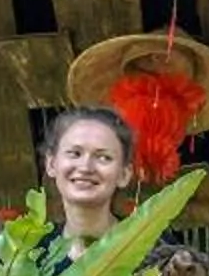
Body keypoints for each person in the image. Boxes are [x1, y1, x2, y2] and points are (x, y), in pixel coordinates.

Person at [40, 106, 138, 258]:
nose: (86, 167)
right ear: (51, 164)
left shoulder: (152, 250)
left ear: (124, 174)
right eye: (75, 154)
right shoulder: (26, 257)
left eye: (103, 157)